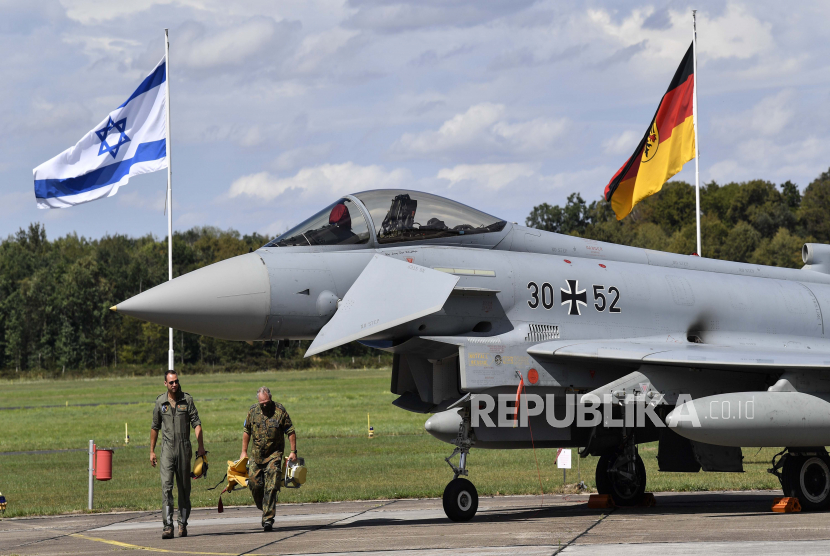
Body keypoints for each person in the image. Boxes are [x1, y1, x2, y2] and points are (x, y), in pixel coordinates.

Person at [150, 370, 206, 539]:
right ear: (165, 384)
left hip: (184, 448)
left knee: (184, 489)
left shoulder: (187, 400)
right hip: (167, 449)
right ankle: (168, 526)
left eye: (176, 381)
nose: (175, 384)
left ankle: (182, 524)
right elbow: (155, 427)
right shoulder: (160, 402)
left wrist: (201, 446)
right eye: (171, 382)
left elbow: (196, 423)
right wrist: (151, 451)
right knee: (166, 487)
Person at [240, 386, 297, 531]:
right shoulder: (252, 412)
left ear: (270, 398)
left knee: (271, 486)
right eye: (262, 403)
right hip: (256, 456)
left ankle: (268, 519)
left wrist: (293, 451)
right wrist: (243, 452)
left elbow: (290, 431)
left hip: (274, 455)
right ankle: (265, 506)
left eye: (267, 402)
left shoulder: (280, 411)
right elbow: (246, 431)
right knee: (254, 484)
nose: (264, 405)